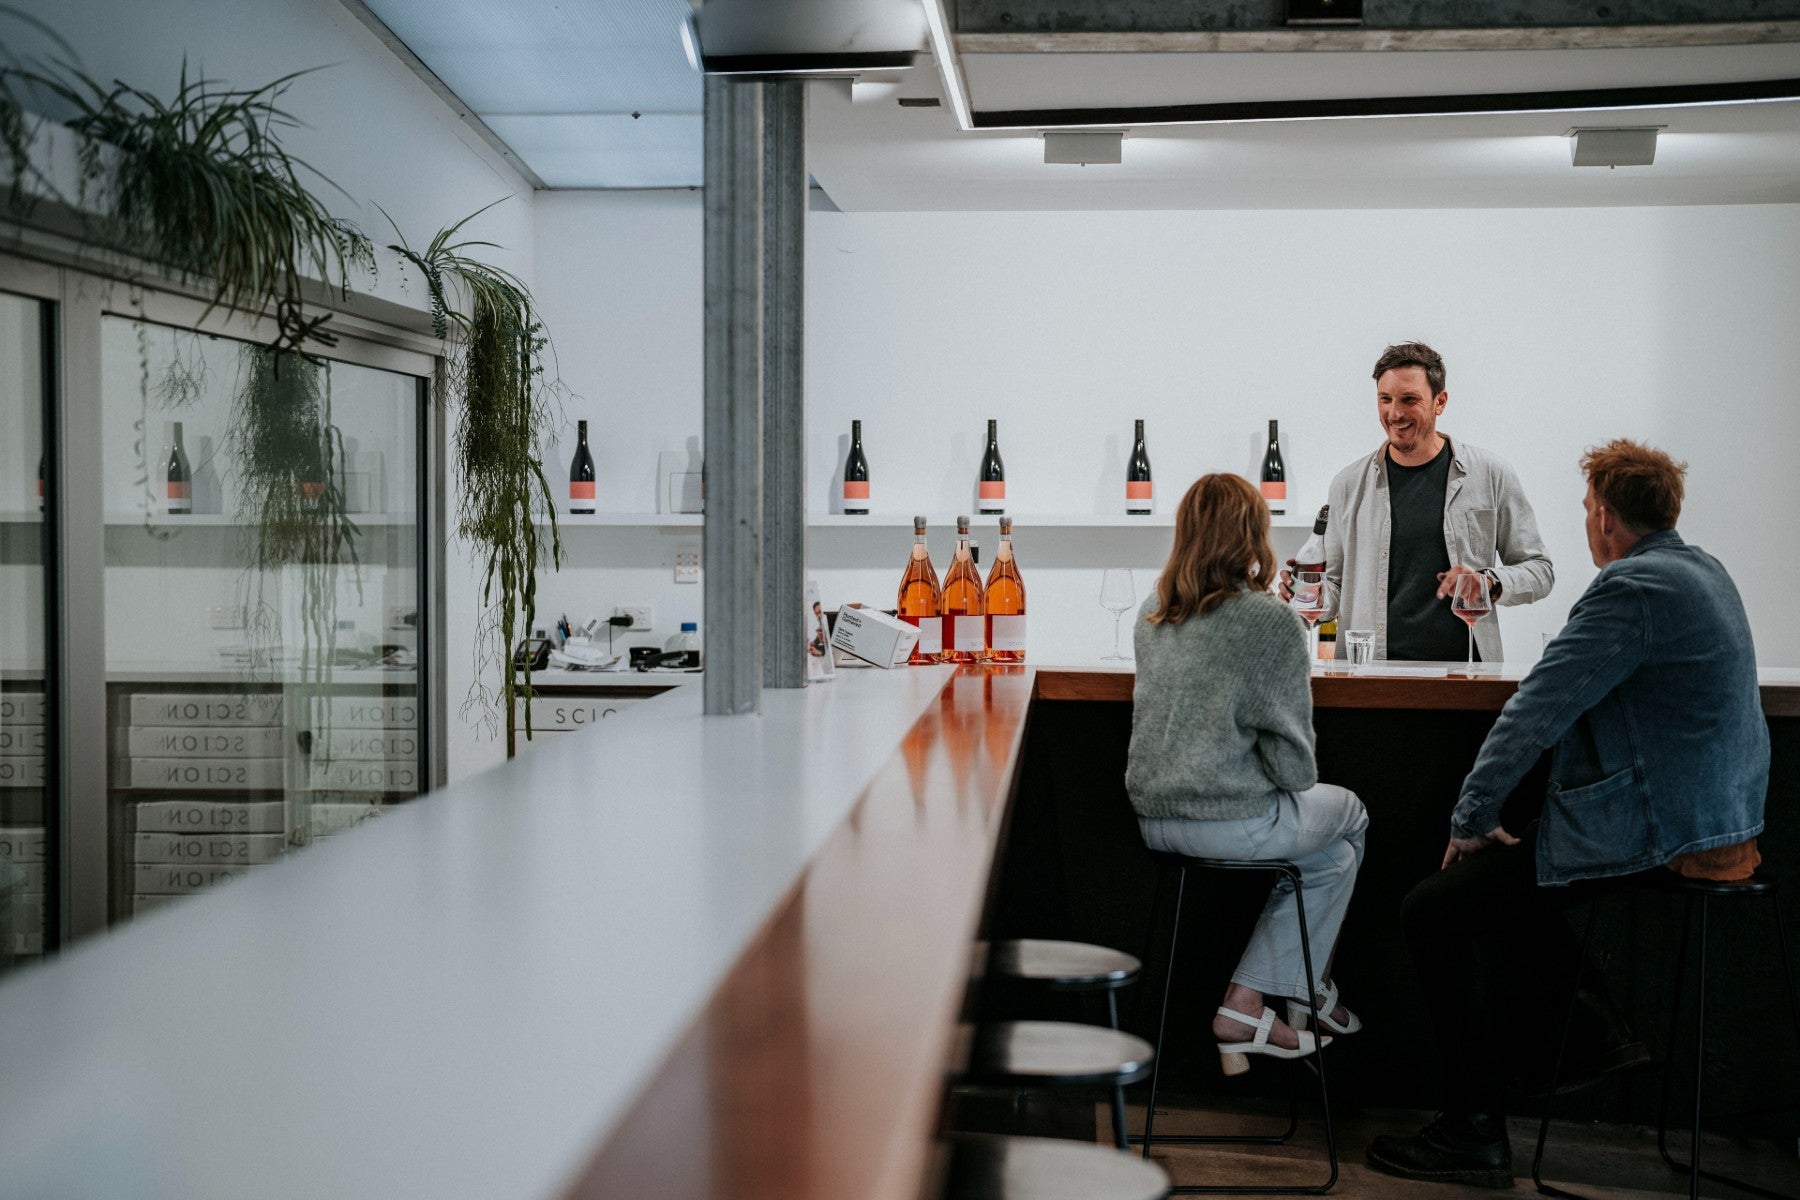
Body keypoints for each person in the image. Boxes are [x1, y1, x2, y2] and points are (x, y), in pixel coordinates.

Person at [1366, 439, 1769, 1188]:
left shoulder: (1631, 589)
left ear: (1607, 518)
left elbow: (1533, 710)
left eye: (1588, 510)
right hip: (1727, 825)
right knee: (1512, 886)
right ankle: (1591, 1031)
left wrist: (1470, 815)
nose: (1587, 522)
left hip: (1671, 832)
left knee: (1434, 907)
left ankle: (1474, 1131)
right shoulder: (1702, 569)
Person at [1127, 473, 1369, 1073]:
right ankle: (1304, 991)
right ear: (1254, 536)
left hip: (1153, 821)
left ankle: (1257, 1004)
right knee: (1353, 816)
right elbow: (1294, 768)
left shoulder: (1153, 611)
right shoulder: (1270, 621)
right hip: (1229, 821)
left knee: (1332, 862)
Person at [1299, 341, 1555, 662]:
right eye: (1385, 399)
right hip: (1372, 678)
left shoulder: (1491, 474)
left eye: (1409, 400)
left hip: (1465, 678)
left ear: (1440, 401)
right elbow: (1334, 587)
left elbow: (1540, 571)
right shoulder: (1347, 484)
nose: (1395, 413)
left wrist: (1490, 582)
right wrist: (1309, 595)